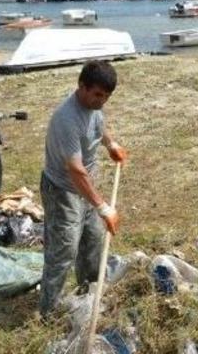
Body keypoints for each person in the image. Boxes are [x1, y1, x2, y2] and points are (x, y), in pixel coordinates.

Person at [39, 60, 128, 318]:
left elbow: (98, 125)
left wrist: (111, 145)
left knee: (93, 241)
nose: (103, 101)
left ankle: (88, 292)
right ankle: (49, 312)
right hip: (62, 190)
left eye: (107, 96)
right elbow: (76, 171)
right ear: (82, 87)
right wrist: (102, 207)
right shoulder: (66, 118)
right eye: (98, 94)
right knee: (64, 250)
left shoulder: (94, 106)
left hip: (86, 185)